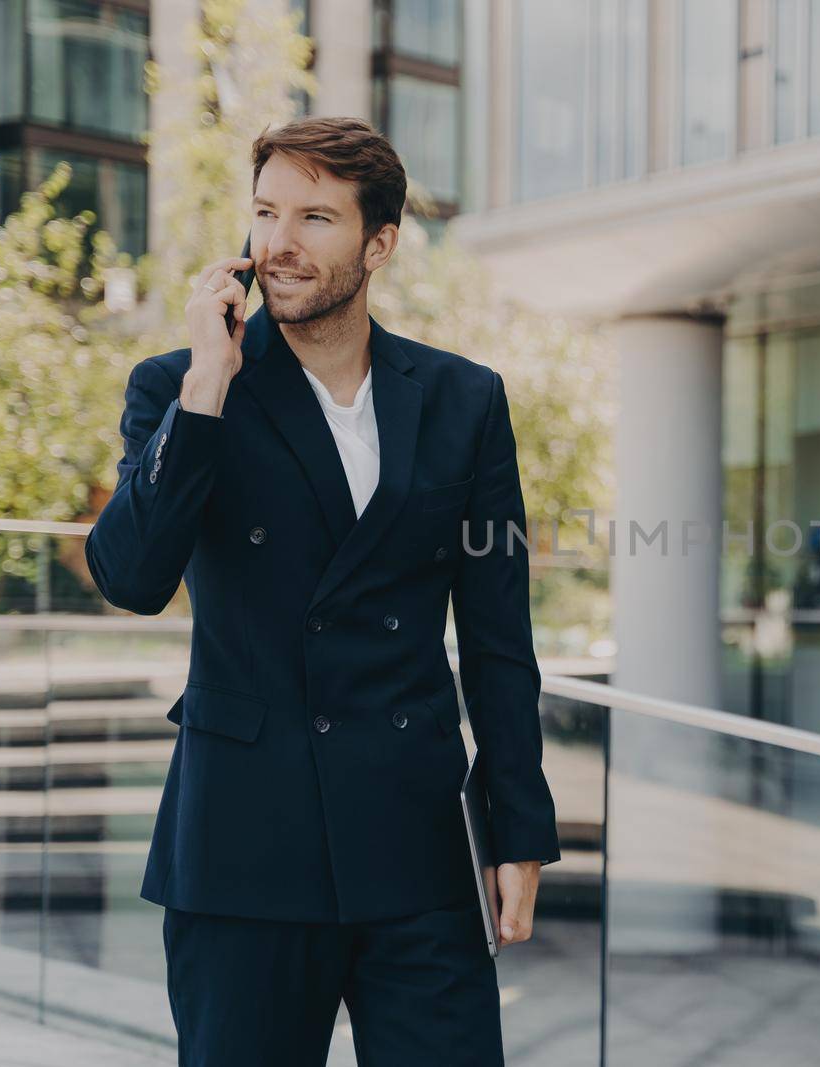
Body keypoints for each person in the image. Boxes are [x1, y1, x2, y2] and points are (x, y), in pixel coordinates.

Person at [84, 116, 561, 1066]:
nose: (279, 244)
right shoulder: (181, 388)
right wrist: (208, 391)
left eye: (315, 217)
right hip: (244, 848)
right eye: (265, 214)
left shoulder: (464, 400)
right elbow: (130, 577)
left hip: (414, 840)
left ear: (379, 243)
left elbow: (500, 633)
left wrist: (518, 826)